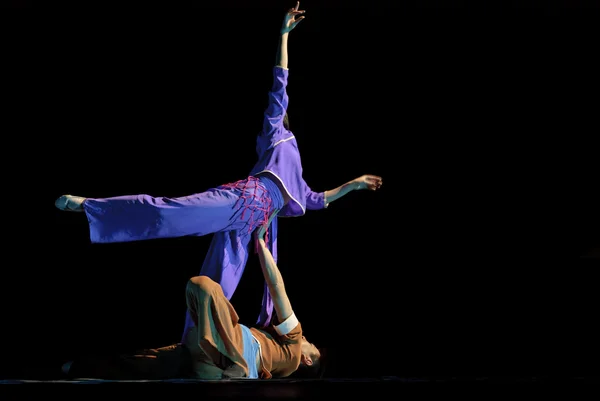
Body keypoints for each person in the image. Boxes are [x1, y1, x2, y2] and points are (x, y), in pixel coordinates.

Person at [54, 1, 382, 328]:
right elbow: (279, 87)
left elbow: (317, 199)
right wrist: (283, 36)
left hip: (252, 227)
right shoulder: (276, 133)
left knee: (216, 289)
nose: (278, 109)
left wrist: (353, 185)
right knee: (168, 212)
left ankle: (196, 350)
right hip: (241, 201)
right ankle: (92, 208)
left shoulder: (293, 164)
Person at [62, 215, 326, 380]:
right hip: (212, 361)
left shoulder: (293, 344)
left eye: (310, 344)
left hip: (234, 350)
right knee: (147, 363)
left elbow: (277, 287)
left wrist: (261, 243)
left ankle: (224, 361)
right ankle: (77, 367)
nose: (306, 338)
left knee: (201, 286)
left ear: (306, 359)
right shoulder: (280, 359)